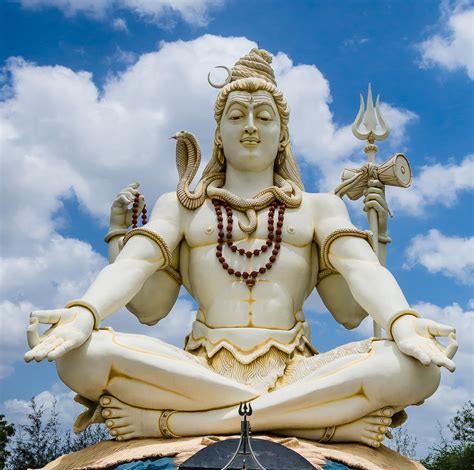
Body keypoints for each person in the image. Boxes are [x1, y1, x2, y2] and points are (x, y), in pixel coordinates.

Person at [25, 48, 457, 449]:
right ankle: (318, 423)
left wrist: (401, 320)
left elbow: (353, 298)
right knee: (79, 358)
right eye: (237, 115)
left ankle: (178, 423)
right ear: (218, 134)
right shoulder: (181, 207)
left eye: (264, 116)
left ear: (282, 135)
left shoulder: (319, 207)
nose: (250, 126)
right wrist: (84, 313)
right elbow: (148, 301)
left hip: (295, 371)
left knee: (416, 369)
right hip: (199, 370)